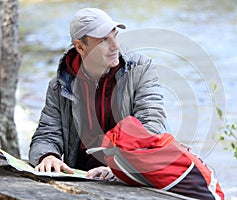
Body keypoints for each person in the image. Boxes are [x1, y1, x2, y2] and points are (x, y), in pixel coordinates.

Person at [29, 8, 167, 180]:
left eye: (115, 35)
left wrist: (120, 166)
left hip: (128, 177)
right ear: (80, 46)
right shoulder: (60, 86)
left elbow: (152, 126)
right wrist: (47, 156)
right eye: (103, 40)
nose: (115, 45)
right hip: (80, 180)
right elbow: (46, 134)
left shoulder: (140, 70)